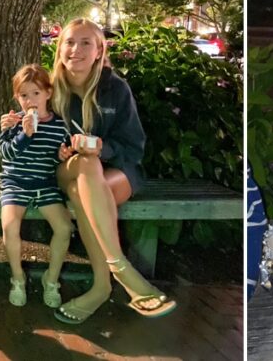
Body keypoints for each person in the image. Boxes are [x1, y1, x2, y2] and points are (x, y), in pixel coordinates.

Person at [50, 18, 177, 324]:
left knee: (86, 183)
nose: (75, 50)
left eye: (85, 43)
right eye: (69, 42)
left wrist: (102, 149)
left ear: (98, 51)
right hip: (66, 170)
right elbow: (36, 142)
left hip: (116, 174)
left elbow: (134, 147)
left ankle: (102, 286)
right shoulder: (49, 89)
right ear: (59, 48)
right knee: (83, 166)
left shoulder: (115, 89)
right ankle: (122, 269)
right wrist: (59, 150)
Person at [0, 64, 74, 308]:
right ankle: (18, 278)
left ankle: (51, 279)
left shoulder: (61, 126)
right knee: (10, 228)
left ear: (48, 94)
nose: (30, 100)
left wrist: (63, 156)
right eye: (24, 95)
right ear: (17, 98)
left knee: (63, 228)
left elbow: (55, 158)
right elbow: (6, 155)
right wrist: (24, 134)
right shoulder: (12, 123)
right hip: (15, 183)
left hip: (45, 184)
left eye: (36, 93)